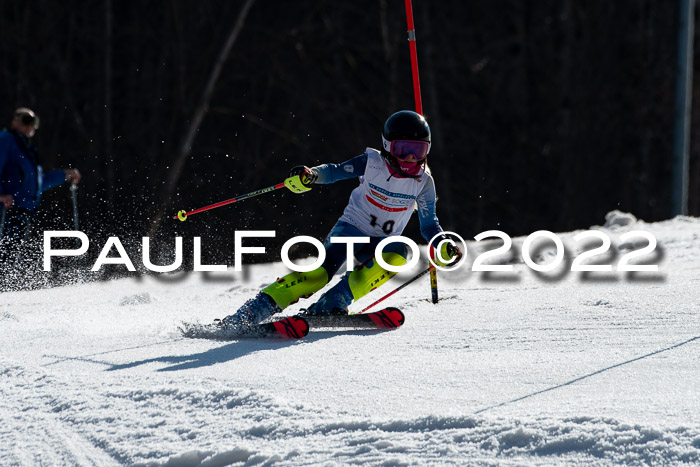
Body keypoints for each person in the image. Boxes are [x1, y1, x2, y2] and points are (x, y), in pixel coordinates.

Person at [220, 110, 461, 328]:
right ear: (388, 146)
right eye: (402, 149)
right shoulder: (372, 163)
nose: (410, 158)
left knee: (399, 255)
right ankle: (253, 311)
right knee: (319, 275)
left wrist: (442, 244)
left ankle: (332, 303)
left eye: (418, 150)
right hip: (351, 229)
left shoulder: (424, 182)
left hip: (382, 241)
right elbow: (335, 171)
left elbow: (429, 224)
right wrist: (311, 175)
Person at [0, 107, 81, 246]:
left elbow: (35, 183)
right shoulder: (6, 140)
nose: (30, 125)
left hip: (22, 212)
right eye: (26, 120)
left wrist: (64, 175)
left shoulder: (26, 150)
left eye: (34, 122)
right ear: (14, 122)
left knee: (13, 255)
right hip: (6, 210)